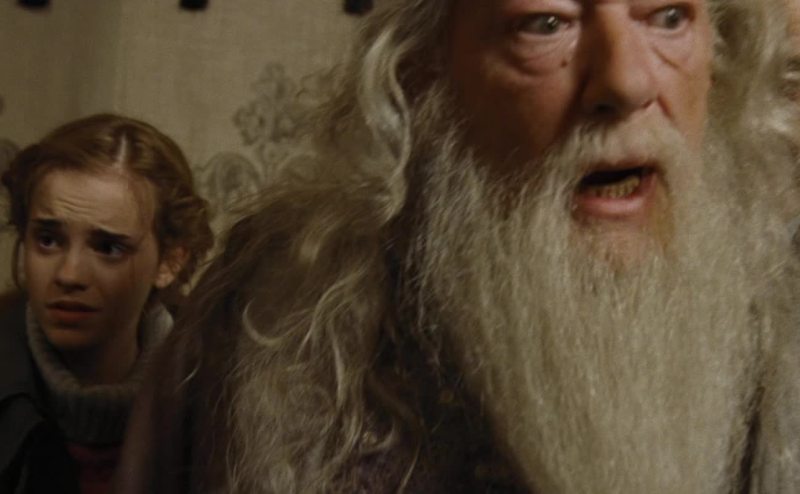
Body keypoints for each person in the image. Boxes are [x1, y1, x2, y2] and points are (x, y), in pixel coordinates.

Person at [116, 0, 800, 492]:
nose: (626, 81)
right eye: (545, 23)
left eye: (668, 17)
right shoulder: (262, 317)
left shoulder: (777, 321)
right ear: (424, 70)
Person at [0, 114, 213, 494]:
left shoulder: (213, 397)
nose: (69, 274)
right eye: (48, 240)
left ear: (169, 262)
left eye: (108, 248)